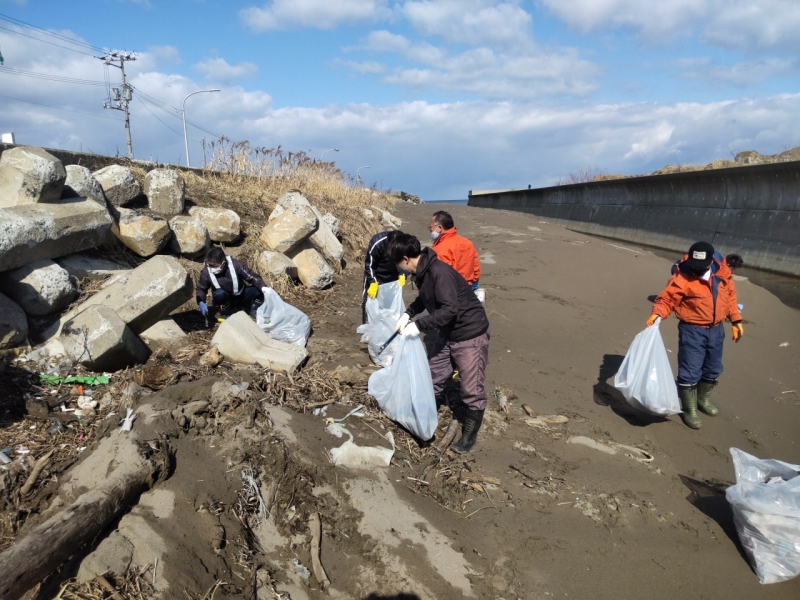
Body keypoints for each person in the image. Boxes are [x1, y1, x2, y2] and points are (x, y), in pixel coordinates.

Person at [388, 232, 490, 453]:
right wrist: (408, 313)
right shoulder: (421, 272)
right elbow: (425, 298)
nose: (398, 268)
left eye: (397, 263)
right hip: (447, 330)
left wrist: (418, 325)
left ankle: (469, 435)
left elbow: (450, 310)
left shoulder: (439, 272)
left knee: (471, 387)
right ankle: (425, 414)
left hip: (469, 332)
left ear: (405, 259)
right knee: (434, 373)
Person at [647, 241, 743, 429]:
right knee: (690, 370)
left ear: (711, 261)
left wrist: (736, 320)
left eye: (701, 266)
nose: (697, 269)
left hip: (716, 330)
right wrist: (657, 314)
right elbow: (667, 299)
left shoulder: (722, 273)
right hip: (692, 330)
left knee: (713, 368)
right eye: (694, 265)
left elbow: (730, 298)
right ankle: (689, 408)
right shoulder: (682, 275)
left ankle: (702, 399)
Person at [196, 247, 267, 321]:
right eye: (210, 265)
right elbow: (201, 288)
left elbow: (253, 277)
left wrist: (263, 287)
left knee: (260, 290)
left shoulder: (236, 265)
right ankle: (225, 313)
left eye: (215, 266)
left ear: (223, 263)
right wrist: (201, 301)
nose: (212, 268)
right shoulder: (206, 272)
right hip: (224, 300)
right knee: (219, 294)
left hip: (241, 295)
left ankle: (254, 309)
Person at [429, 211, 481, 290]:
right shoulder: (467, 243)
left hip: (453, 289)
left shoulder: (439, 249)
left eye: (430, 227)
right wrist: (474, 283)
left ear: (439, 228)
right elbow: (475, 266)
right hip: (469, 285)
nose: (430, 230)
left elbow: (441, 276)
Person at [362, 230, 404, 324]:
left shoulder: (403, 244)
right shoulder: (378, 242)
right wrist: (372, 282)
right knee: (369, 300)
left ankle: (388, 327)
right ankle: (368, 327)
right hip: (376, 275)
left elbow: (406, 262)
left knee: (390, 303)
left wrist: (402, 274)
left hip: (393, 276)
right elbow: (369, 265)